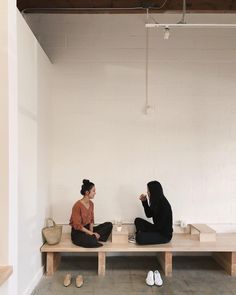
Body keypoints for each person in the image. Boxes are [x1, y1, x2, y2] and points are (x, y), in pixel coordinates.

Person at [70, 179, 113, 248]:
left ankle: (94, 238)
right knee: (91, 240)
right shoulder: (77, 205)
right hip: (78, 232)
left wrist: (91, 232)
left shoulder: (91, 204)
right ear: (87, 192)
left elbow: (91, 220)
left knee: (109, 225)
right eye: (93, 191)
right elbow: (77, 225)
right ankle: (94, 239)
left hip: (88, 230)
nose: (95, 193)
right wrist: (92, 234)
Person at [130, 180, 173, 245]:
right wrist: (144, 201)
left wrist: (146, 233)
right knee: (137, 220)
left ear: (153, 191)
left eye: (148, 190)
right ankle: (141, 234)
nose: (147, 192)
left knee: (140, 238)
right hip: (157, 229)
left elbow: (160, 227)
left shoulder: (164, 205)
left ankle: (140, 235)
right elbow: (149, 215)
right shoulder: (155, 202)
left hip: (164, 235)